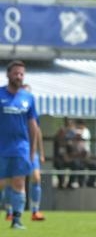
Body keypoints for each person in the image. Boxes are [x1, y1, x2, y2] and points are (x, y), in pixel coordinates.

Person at [0, 60, 38, 229]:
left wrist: (32, 152)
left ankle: (16, 220)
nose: (19, 76)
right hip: (2, 148)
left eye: (21, 74)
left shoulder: (28, 98)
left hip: (21, 148)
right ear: (8, 75)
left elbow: (33, 126)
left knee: (18, 183)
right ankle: (9, 211)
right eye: (16, 73)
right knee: (2, 184)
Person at [22, 84, 45, 221]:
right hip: (16, 149)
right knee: (8, 182)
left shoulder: (33, 111)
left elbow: (37, 132)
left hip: (32, 151)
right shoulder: (13, 108)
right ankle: (10, 211)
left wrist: (40, 152)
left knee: (36, 178)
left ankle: (35, 211)